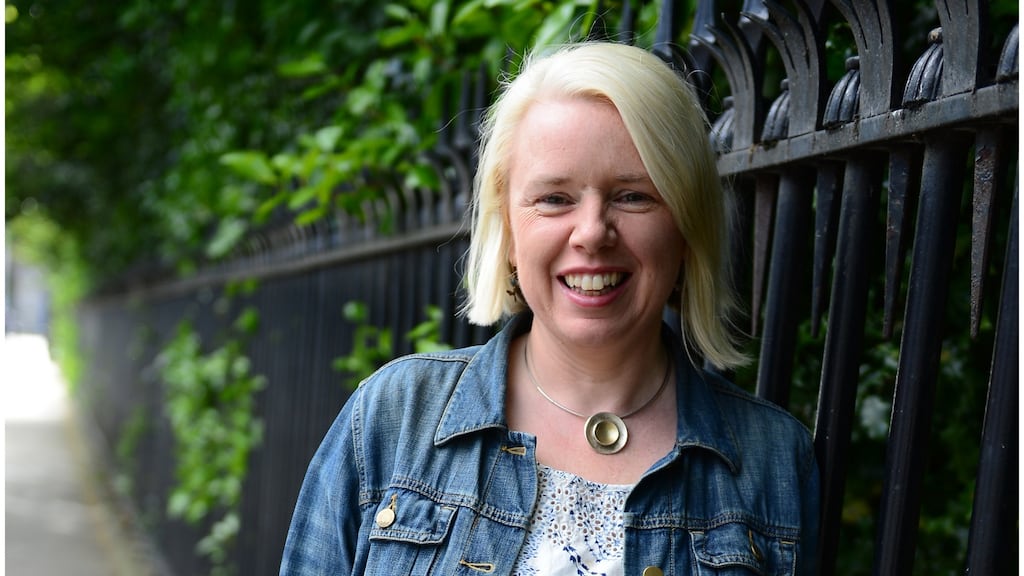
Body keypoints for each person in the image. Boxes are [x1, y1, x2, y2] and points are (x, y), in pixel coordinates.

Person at [280, 41, 819, 576]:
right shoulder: (394, 416)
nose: (592, 233)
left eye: (634, 195)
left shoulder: (774, 460)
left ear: (685, 225)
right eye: (554, 199)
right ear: (509, 229)